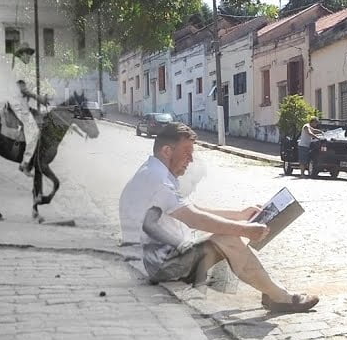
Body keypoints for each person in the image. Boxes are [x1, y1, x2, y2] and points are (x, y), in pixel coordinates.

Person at [119, 122, 319, 313]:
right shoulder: (159, 180)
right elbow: (194, 218)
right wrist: (243, 229)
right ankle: (279, 297)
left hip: (156, 259)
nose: (191, 160)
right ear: (167, 151)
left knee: (224, 234)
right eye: (187, 153)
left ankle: (271, 292)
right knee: (228, 238)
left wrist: (239, 215)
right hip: (158, 267)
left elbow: (193, 209)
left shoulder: (153, 172)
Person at [9, 43, 49, 177]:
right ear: (21, 54)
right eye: (27, 54)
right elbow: (23, 89)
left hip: (22, 103)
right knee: (34, 132)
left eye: (30, 54)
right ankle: (25, 163)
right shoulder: (20, 67)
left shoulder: (22, 68)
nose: (29, 57)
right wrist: (38, 98)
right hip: (18, 104)